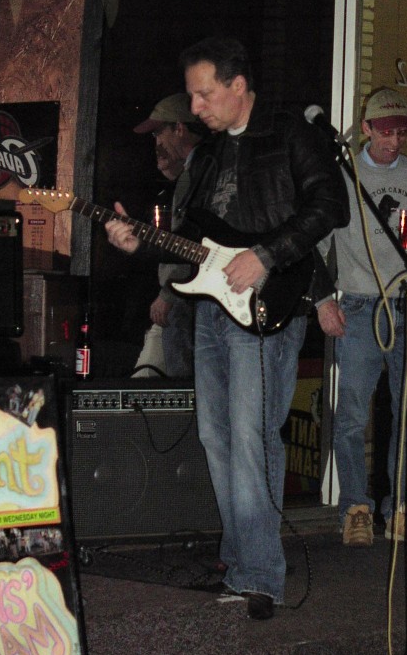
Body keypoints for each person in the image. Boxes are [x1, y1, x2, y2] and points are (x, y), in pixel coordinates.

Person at [105, 36, 349, 619]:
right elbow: (193, 239)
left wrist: (266, 256)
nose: (195, 107)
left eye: (204, 94)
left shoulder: (290, 133)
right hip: (212, 310)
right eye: (192, 95)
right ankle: (241, 565)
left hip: (267, 305)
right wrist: (140, 244)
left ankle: (261, 575)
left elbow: (330, 207)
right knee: (218, 438)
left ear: (239, 86)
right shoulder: (210, 155)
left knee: (251, 436)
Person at [316, 88, 407, 548]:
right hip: (358, 304)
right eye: (386, 132)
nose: (394, 141)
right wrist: (323, 302)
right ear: (367, 128)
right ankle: (355, 508)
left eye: (402, 133)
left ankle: (403, 510)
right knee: (352, 413)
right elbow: (317, 244)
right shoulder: (341, 175)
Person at [131, 93, 205, 379]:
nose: (156, 142)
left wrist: (168, 293)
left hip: (183, 298)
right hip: (190, 297)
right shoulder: (197, 170)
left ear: (179, 128)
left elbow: (188, 243)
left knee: (181, 386)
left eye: (159, 132)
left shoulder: (197, 174)